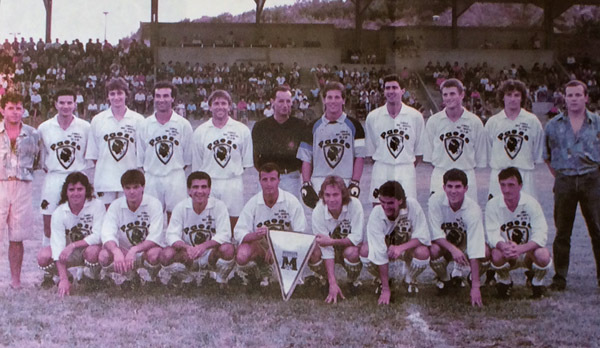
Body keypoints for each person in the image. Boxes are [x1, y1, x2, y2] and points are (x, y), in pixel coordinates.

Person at [544, 80, 600, 291]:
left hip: (591, 179)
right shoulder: (553, 125)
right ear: (564, 98)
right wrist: (561, 176)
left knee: (597, 230)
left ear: (586, 97)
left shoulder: (597, 123)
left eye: (578, 95)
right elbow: (547, 156)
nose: (574, 99)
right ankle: (560, 278)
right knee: (562, 232)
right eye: (570, 95)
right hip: (565, 180)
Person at [234, 163, 306, 287]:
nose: (268, 184)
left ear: (279, 180)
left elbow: (300, 233)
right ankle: (262, 269)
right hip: (262, 247)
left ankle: (292, 274)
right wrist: (255, 235)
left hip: (286, 247)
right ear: (260, 181)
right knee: (242, 255)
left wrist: (277, 247)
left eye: (272, 179)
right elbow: (239, 234)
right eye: (265, 179)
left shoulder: (291, 201)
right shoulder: (253, 203)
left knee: (290, 283)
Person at [297, 81, 365, 209]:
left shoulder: (355, 126)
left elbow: (359, 157)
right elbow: (306, 158)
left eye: (337, 97)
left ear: (343, 100)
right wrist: (306, 183)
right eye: (329, 97)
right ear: (324, 100)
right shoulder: (311, 126)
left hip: (345, 180)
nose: (333, 101)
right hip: (319, 181)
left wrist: (355, 182)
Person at [160, 171, 235, 286]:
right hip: (188, 254)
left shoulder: (219, 206)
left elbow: (225, 234)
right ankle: (187, 279)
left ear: (209, 190)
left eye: (204, 187)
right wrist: (187, 248)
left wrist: (203, 246)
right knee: (166, 254)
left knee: (228, 249)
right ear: (189, 190)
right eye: (195, 187)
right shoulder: (180, 207)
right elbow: (171, 235)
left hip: (210, 253)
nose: (200, 191)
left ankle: (220, 280)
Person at [485, 167, 551, 299]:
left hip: (528, 252)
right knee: (496, 254)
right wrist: (504, 246)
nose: (506, 190)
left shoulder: (532, 204)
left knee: (543, 255)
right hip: (507, 252)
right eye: (503, 185)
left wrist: (521, 248)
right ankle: (505, 282)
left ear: (520, 186)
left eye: (511, 185)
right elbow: (492, 234)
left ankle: (537, 284)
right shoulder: (492, 204)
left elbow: (541, 234)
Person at [192, 89, 253, 230]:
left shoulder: (242, 130)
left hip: (233, 182)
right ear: (210, 107)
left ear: (230, 106)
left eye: (224, 103)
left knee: (234, 220)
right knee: (209, 220)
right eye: (216, 103)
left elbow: (245, 162)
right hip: (210, 182)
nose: (220, 106)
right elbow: (197, 163)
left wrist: (229, 170)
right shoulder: (200, 131)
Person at [36, 172, 105, 296]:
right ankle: (67, 277)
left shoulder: (97, 205)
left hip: (88, 250)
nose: (76, 193)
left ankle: (92, 277)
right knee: (43, 256)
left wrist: (73, 245)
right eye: (71, 189)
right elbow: (57, 246)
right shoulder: (59, 212)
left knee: (94, 251)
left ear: (87, 190)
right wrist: (63, 279)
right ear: (66, 192)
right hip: (68, 253)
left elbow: (99, 235)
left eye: (80, 189)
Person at [38, 88, 91, 247]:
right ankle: (49, 263)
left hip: (78, 178)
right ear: (55, 104)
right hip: (54, 178)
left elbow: (89, 155)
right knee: (49, 224)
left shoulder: (85, 127)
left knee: (81, 223)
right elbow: (42, 157)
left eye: (69, 102)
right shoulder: (44, 128)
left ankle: (82, 268)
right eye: (62, 102)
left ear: (75, 104)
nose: (65, 106)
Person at [363, 181, 430, 305]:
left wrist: (401, 248)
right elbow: (379, 251)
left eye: (390, 203)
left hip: (406, 249)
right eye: (382, 202)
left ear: (400, 200)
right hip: (386, 250)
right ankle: (382, 280)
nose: (385, 206)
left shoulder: (412, 205)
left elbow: (423, 237)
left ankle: (410, 278)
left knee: (423, 252)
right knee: (365, 251)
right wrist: (386, 290)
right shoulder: (376, 214)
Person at [0, 92, 42, 289]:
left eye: (18, 108)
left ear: (23, 110)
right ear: (2, 110)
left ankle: (15, 280)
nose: (15, 112)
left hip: (22, 186)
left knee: (17, 237)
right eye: (11, 108)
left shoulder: (33, 134)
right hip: (0, 184)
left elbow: (37, 161)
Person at [428, 169, 486, 307]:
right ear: (444, 187)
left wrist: (476, 287)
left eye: (458, 186)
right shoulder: (435, 201)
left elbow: (476, 245)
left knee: (486, 252)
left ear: (466, 188)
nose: (453, 191)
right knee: (433, 250)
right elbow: (435, 234)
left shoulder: (473, 209)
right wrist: (453, 250)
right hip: (445, 246)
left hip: (465, 246)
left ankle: (472, 279)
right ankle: (445, 279)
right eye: (450, 186)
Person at [423, 79, 487, 202]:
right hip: (440, 175)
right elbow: (430, 156)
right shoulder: (433, 121)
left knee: (468, 216)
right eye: (445, 94)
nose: (448, 98)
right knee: (439, 216)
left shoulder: (474, 122)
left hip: (466, 174)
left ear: (462, 95)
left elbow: (479, 156)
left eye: (452, 94)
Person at [136, 81, 192, 221]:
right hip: (152, 176)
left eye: (166, 96)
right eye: (158, 96)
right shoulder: (144, 124)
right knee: (151, 217)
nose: (162, 99)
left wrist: (171, 169)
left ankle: (174, 242)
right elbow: (141, 156)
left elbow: (187, 157)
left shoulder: (183, 124)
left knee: (176, 217)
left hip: (175, 175)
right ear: (153, 98)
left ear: (173, 98)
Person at [98, 169, 164, 287]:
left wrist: (135, 250)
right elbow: (107, 233)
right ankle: (122, 277)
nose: (132, 192)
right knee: (103, 255)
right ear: (123, 189)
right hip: (123, 252)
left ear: (143, 187)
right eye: (128, 188)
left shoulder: (154, 204)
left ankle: (151, 278)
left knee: (155, 254)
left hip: (144, 252)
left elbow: (155, 237)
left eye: (136, 187)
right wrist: (116, 251)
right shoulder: (115, 205)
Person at [86, 77, 145, 208]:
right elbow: (94, 155)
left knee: (128, 221)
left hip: (130, 181)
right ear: (107, 96)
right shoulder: (98, 120)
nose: (116, 97)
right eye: (112, 94)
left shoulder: (138, 120)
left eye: (120, 93)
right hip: (105, 179)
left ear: (126, 95)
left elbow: (141, 153)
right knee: (106, 222)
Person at [365, 74, 424, 202]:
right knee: (379, 208)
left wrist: (403, 163)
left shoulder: (415, 116)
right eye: (387, 88)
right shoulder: (373, 117)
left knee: (406, 209)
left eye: (394, 87)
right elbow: (370, 153)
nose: (390, 91)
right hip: (381, 167)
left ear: (403, 90)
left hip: (406, 168)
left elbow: (418, 153)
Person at [307, 175, 365, 303]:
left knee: (353, 252)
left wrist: (332, 241)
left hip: (347, 248)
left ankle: (352, 280)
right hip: (328, 249)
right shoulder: (318, 210)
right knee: (312, 251)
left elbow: (357, 238)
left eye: (335, 195)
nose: (331, 199)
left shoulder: (354, 205)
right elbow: (325, 247)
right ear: (322, 196)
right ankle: (327, 280)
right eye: (327, 195)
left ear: (343, 195)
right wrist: (333, 282)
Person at [485, 80, 544, 200]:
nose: (513, 99)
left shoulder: (532, 121)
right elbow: (488, 150)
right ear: (502, 97)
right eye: (509, 95)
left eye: (517, 95)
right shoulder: (493, 122)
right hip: (499, 174)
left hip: (525, 174)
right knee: (498, 214)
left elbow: (538, 150)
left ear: (522, 98)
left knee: (525, 215)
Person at [252, 85, 307, 198]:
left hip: (291, 178)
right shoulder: (260, 127)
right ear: (272, 102)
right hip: (268, 178)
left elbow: (305, 157)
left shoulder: (301, 126)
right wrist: (268, 174)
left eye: (288, 101)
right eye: (281, 101)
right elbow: (256, 158)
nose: (285, 105)